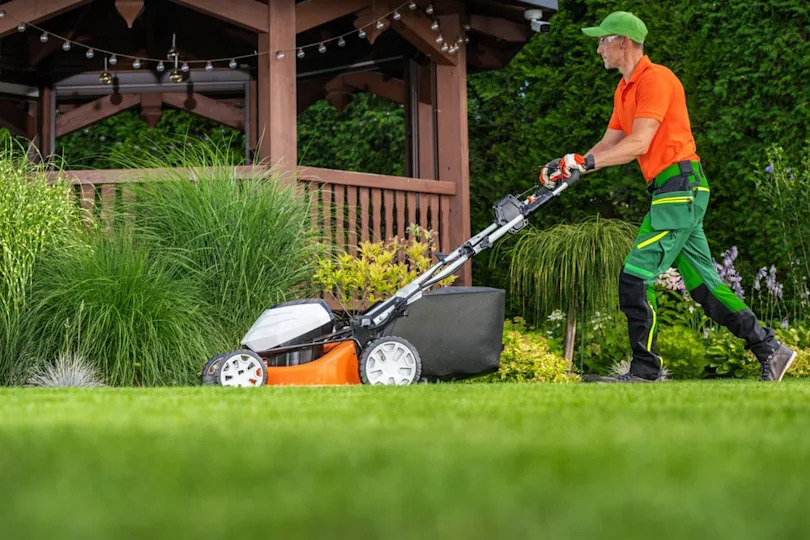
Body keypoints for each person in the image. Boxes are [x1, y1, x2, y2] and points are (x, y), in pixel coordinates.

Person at [539, 11, 796, 382]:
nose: (598, 49)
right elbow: (610, 143)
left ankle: (645, 370)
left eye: (603, 41)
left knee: (635, 276)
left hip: (679, 188)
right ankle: (770, 348)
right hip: (673, 190)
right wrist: (571, 165)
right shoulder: (624, 89)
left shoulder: (656, 79)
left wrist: (585, 162)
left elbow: (638, 143)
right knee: (706, 288)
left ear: (623, 41)